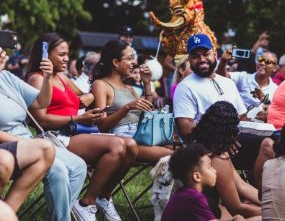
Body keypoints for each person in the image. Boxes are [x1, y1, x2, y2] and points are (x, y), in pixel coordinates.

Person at [25, 33, 139, 221]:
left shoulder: (62, 77)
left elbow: (86, 95)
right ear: (45, 55)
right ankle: (86, 203)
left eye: (67, 54)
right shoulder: (38, 79)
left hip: (74, 132)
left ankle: (103, 197)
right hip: (53, 137)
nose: (67, 58)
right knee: (117, 146)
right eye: (61, 54)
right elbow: (41, 120)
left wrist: (86, 100)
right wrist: (77, 118)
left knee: (131, 145)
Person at [174, 33, 275, 188]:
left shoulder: (227, 82)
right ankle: (262, 198)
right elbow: (185, 127)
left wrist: (259, 122)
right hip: (208, 146)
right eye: (195, 56)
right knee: (268, 146)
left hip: (235, 140)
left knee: (277, 143)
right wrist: (222, 138)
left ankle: (263, 195)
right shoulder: (185, 87)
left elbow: (242, 117)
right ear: (189, 59)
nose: (201, 59)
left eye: (206, 54)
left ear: (215, 54)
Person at [0, 46, 86, 220]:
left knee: (78, 166)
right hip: (9, 144)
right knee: (59, 169)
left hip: (28, 140)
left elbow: (41, 101)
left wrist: (47, 78)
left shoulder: (6, 77)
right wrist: (27, 144)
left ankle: (58, 217)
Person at [91, 39, 172, 164]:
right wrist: (127, 107)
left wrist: (146, 83)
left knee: (175, 150)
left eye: (133, 58)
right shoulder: (101, 85)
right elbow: (102, 125)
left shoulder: (129, 88)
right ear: (115, 62)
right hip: (123, 140)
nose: (134, 62)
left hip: (141, 135)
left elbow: (148, 110)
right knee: (173, 156)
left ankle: (162, 183)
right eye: (129, 58)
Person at [191, 101, 261, 219]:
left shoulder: (199, 145)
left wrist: (270, 203)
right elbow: (236, 208)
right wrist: (274, 212)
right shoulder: (217, 159)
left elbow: (242, 185)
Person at [162, 144, 246, 221]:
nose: (215, 171)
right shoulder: (194, 197)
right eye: (210, 167)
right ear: (197, 176)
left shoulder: (185, 194)